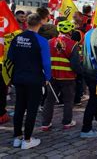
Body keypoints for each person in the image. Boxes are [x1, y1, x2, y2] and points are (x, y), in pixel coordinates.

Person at [8, 13, 51, 149]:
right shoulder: (42, 41)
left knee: (19, 107)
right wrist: (48, 78)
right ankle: (27, 140)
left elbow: (10, 57)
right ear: (40, 24)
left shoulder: (17, 37)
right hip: (34, 79)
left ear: (26, 23)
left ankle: (17, 137)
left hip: (19, 77)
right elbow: (46, 63)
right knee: (32, 109)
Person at [41, 21, 82, 131]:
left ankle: (45, 123)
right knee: (68, 101)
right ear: (70, 31)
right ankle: (67, 122)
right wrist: (81, 72)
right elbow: (75, 65)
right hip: (67, 77)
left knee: (49, 100)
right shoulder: (73, 44)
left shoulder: (49, 42)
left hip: (52, 76)